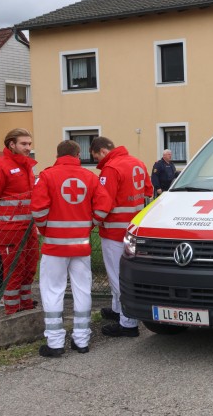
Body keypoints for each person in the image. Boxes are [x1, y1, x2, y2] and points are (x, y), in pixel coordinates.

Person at [31, 140, 112, 357]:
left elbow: (38, 210)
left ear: (58, 155)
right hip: (81, 245)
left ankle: (55, 343)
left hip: (54, 246)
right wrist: (90, 224)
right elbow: (104, 206)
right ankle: (81, 340)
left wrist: (45, 230)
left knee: (52, 290)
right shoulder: (89, 177)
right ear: (78, 155)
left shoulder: (47, 176)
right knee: (82, 290)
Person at [90, 136, 153, 337]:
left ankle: (127, 323)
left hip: (113, 232)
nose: (98, 162)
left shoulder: (111, 168)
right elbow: (148, 193)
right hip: (134, 230)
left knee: (118, 277)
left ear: (100, 151)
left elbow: (103, 203)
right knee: (126, 273)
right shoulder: (138, 163)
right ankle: (118, 310)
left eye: (95, 157)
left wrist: (93, 221)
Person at [0, 128, 39, 315]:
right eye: (24, 144)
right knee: (14, 268)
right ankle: (12, 308)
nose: (28, 148)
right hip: (9, 227)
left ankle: (25, 303)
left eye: (29, 144)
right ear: (12, 144)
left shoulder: (26, 165)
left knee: (29, 267)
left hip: (27, 226)